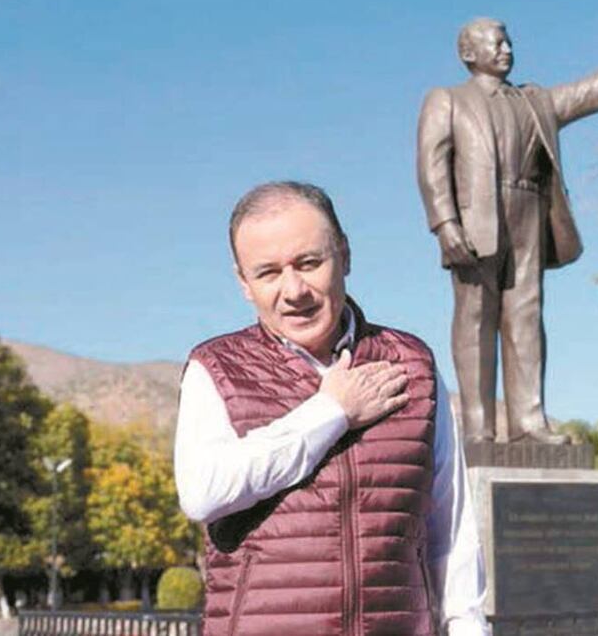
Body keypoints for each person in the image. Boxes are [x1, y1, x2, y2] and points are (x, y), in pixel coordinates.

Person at [174, 181, 488, 636]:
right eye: (268, 273)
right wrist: (330, 412)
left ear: (345, 255)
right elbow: (204, 490)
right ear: (244, 283)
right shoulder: (215, 368)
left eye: (309, 263)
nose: (293, 289)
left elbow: (452, 526)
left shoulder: (413, 364)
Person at [416, 0, 598, 444]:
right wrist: (445, 224)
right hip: (475, 222)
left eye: (508, 41)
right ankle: (478, 427)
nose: (506, 49)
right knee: (475, 319)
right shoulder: (447, 99)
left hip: (528, 211)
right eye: (495, 43)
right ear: (468, 53)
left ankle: (529, 421)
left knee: (526, 317)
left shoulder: (537, 101)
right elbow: (432, 163)